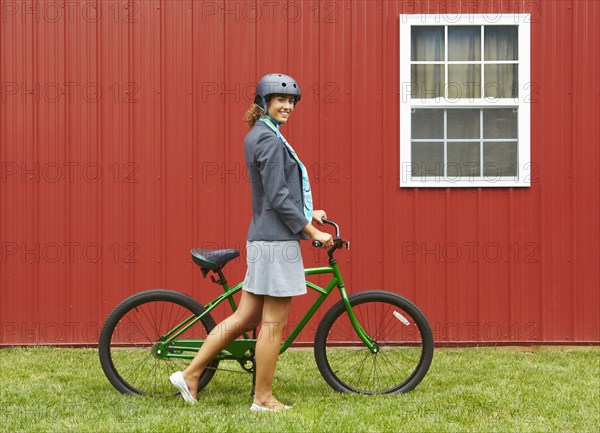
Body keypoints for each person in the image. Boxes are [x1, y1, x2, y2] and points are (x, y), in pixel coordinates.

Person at [169, 73, 333, 411]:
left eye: (291, 101)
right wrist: (312, 231)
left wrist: (308, 211)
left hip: (265, 238)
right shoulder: (270, 141)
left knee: (245, 318)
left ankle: (190, 375)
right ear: (264, 102)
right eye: (280, 100)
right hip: (276, 244)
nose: (287, 105)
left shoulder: (260, 134)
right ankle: (263, 397)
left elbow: (275, 194)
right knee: (273, 325)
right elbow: (277, 197)